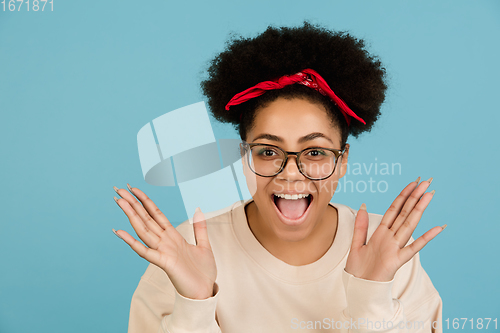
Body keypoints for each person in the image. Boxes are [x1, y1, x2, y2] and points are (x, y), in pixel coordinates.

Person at [112, 22, 445, 332]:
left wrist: (371, 299)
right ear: (245, 158)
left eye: (314, 152)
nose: (290, 173)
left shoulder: (387, 250)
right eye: (268, 151)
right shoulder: (184, 252)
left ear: (342, 162)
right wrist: (195, 303)